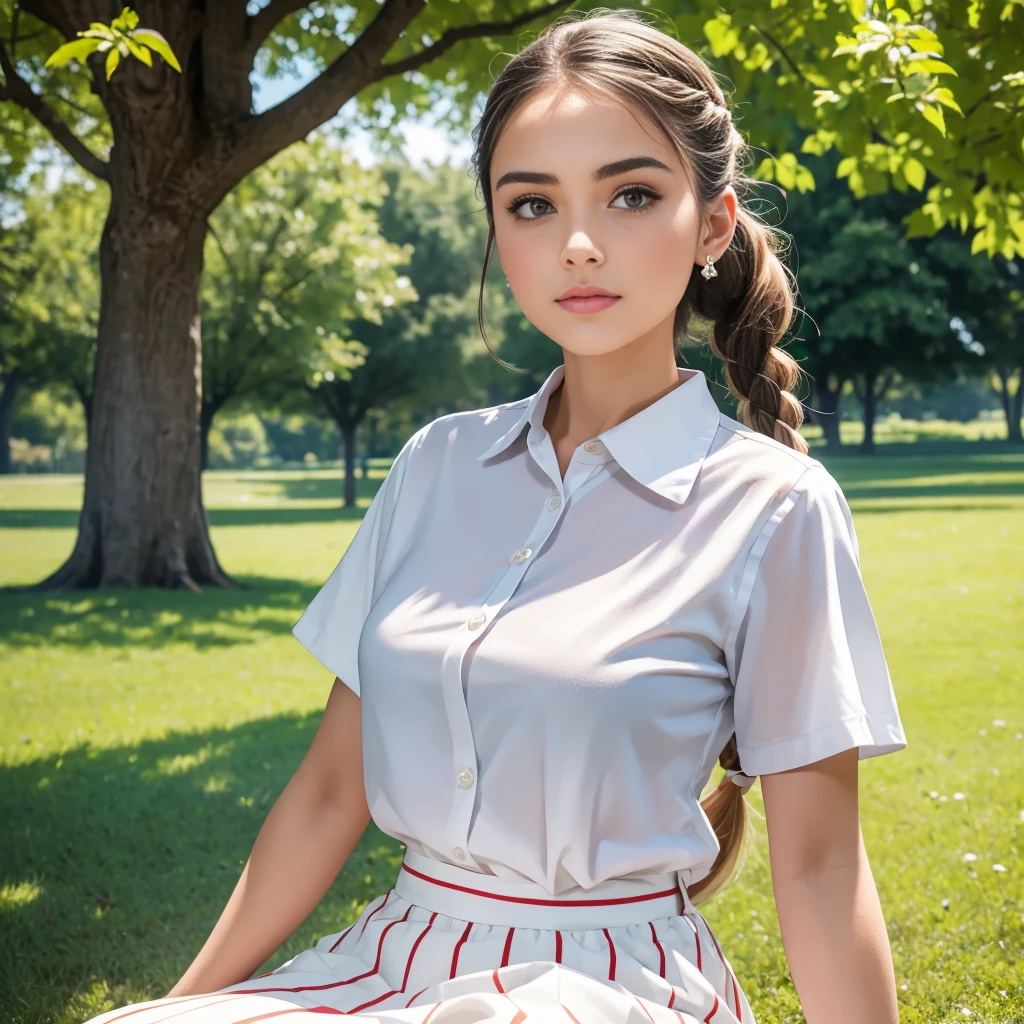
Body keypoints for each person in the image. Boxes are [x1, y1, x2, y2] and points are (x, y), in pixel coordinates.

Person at [81, 9, 907, 1024]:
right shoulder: (435, 464)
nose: (576, 243)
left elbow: (821, 871)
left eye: (632, 194)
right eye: (530, 204)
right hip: (389, 963)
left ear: (712, 224)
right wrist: (174, 1008)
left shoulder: (774, 508)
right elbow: (331, 792)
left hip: (605, 993)